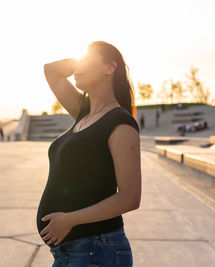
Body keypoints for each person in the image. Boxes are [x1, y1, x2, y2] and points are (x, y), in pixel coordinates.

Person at [37, 41, 141, 266]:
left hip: (96, 249)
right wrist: (81, 64)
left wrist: (69, 220)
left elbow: (130, 197)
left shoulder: (121, 123)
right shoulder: (83, 113)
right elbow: (50, 70)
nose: (76, 69)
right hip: (70, 252)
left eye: (86, 60)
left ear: (109, 68)